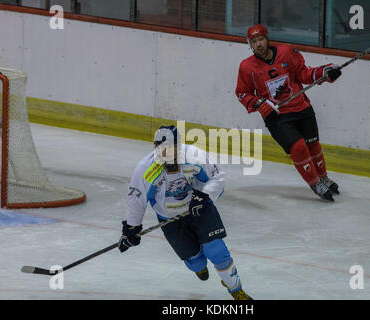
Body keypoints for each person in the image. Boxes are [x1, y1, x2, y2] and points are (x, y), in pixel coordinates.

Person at [118, 125, 252, 300]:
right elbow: (137, 198)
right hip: (170, 219)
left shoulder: (194, 156)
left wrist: (204, 196)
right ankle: (198, 265)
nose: (164, 154)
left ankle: (235, 289)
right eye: (160, 149)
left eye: (169, 149)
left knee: (217, 251)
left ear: (178, 147)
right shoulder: (147, 168)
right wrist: (131, 229)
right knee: (196, 262)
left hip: (199, 208)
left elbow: (218, 176)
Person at [235, 24, 342, 202]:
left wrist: (325, 72)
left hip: (301, 108)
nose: (258, 44)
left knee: (313, 145)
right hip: (276, 116)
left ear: (267, 39)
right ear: (250, 45)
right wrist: (260, 103)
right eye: (254, 42)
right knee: (299, 147)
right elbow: (242, 93)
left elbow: (303, 74)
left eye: (260, 39)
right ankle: (316, 183)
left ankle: (324, 178)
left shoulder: (286, 52)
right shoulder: (247, 67)